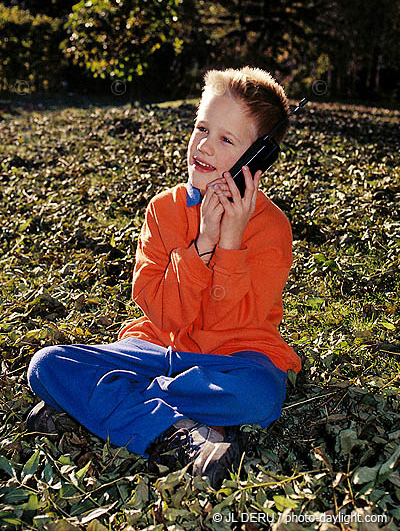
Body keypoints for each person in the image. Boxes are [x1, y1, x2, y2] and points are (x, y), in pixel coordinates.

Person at [27, 66, 301, 489]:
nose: (204, 146)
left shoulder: (272, 229)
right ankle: (181, 428)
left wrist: (229, 242)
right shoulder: (162, 209)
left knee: (261, 394)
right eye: (202, 128)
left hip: (231, 358)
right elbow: (164, 313)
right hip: (154, 345)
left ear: (257, 159)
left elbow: (228, 325)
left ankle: (108, 402)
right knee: (47, 365)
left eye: (226, 140)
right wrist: (202, 244)